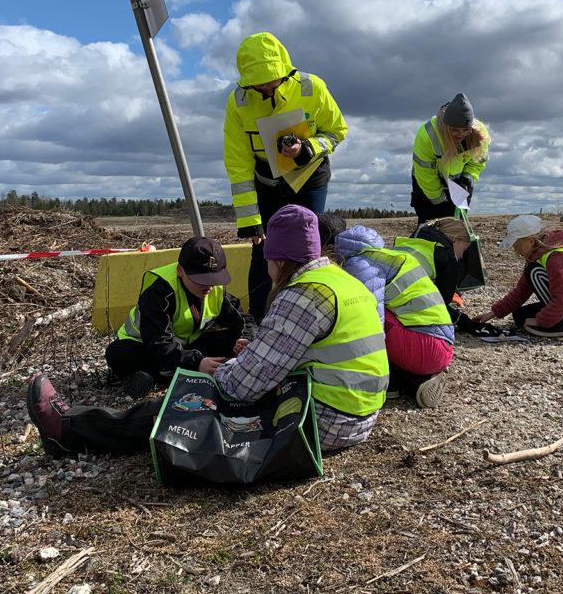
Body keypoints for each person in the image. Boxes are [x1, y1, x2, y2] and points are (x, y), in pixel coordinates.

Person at [27, 205, 388, 458]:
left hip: (322, 419)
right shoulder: (339, 280)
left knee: (184, 407)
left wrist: (214, 373)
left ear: (277, 259)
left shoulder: (305, 294)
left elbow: (240, 386)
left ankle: (70, 430)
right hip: (355, 416)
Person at [223, 32, 348, 321]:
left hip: (309, 177)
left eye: (273, 78)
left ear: (285, 69)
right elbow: (238, 163)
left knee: (308, 248)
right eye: (259, 80)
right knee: (264, 250)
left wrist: (307, 148)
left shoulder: (312, 87)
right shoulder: (238, 103)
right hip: (267, 183)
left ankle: (312, 315)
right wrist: (249, 221)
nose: (267, 85)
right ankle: (260, 319)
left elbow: (337, 131)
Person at [329, 222, 454, 408]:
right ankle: (414, 381)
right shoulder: (381, 256)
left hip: (426, 346)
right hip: (438, 345)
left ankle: (394, 379)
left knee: (356, 310)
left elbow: (371, 321)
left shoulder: (360, 264)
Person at [104, 238, 246, 397]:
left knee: (232, 340)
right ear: (180, 271)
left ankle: (169, 373)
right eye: (201, 280)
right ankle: (149, 375)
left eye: (213, 279)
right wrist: (196, 362)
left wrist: (245, 339)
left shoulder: (216, 289)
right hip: (146, 345)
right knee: (118, 353)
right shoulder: (160, 290)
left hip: (185, 346)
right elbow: (158, 341)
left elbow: (243, 319)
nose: (209, 287)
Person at [471, 215, 563, 338]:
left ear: (531, 241)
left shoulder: (558, 257)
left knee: (534, 272)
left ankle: (561, 325)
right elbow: (521, 292)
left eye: (517, 245)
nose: (515, 251)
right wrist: (494, 312)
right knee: (519, 316)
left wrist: (541, 321)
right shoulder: (539, 256)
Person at [410, 92, 490, 224]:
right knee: (431, 223)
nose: (461, 134)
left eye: (465, 130)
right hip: (427, 183)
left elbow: (479, 161)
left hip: (459, 184)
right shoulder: (428, 135)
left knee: (457, 225)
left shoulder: (480, 134)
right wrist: (440, 201)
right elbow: (426, 174)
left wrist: (469, 175)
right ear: (446, 127)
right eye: (455, 130)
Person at [393, 217, 471, 320]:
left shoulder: (411, 243)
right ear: (455, 240)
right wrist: (463, 320)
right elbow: (440, 306)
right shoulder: (447, 256)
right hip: (401, 310)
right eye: (464, 249)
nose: (461, 256)